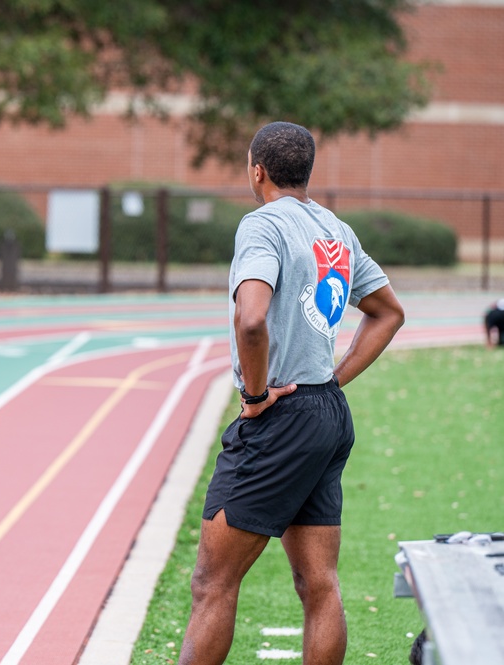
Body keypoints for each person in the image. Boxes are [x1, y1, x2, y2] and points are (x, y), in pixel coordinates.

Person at [178, 122, 405, 664]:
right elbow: (388, 312)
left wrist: (255, 398)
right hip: (327, 415)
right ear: (306, 173)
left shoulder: (262, 226)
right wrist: (333, 378)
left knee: (213, 582)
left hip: (279, 419)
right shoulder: (336, 230)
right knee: (319, 583)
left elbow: (251, 320)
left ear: (257, 171)